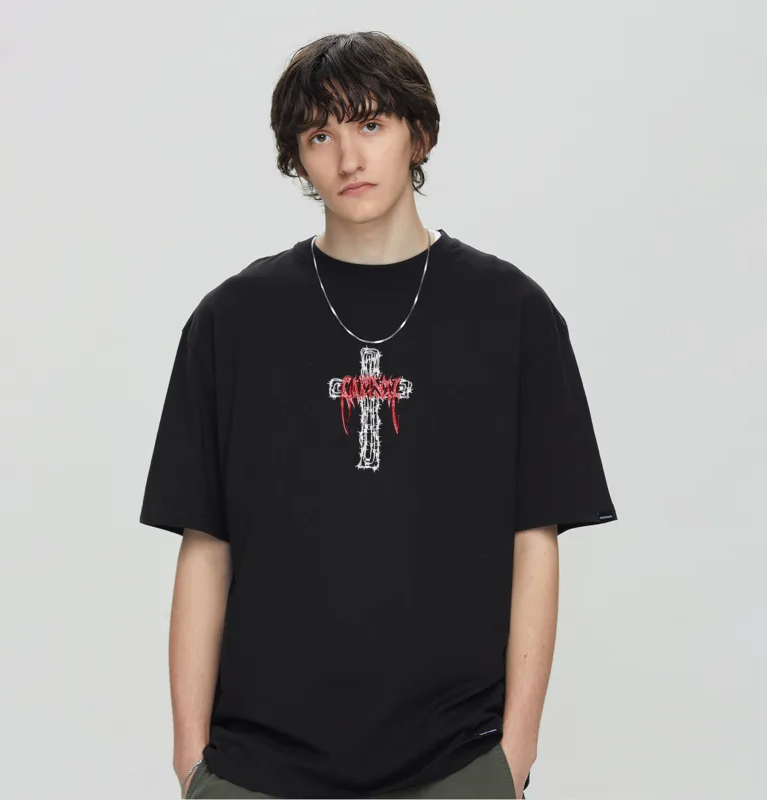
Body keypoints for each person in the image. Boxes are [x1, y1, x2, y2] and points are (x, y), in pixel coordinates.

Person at [139, 30, 618, 800]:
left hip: (455, 760)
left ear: (417, 134)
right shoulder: (234, 322)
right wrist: (191, 760)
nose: (348, 158)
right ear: (298, 159)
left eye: (370, 124)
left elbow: (535, 537)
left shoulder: (511, 315)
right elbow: (205, 540)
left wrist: (514, 753)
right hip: (255, 765)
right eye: (319, 135)